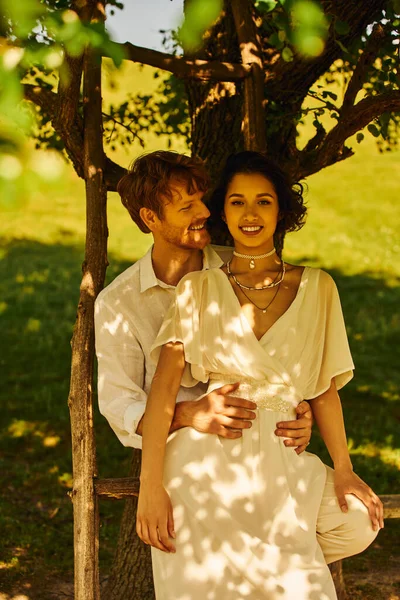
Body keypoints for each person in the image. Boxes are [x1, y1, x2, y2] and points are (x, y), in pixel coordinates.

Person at [136, 152, 383, 600]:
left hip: (283, 456)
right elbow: (162, 397)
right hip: (204, 463)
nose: (250, 215)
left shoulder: (319, 287)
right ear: (223, 212)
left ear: (281, 211)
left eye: (263, 202)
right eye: (236, 202)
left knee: (357, 522)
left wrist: (344, 469)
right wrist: (150, 486)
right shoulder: (199, 290)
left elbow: (324, 391)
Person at [95, 151, 313, 455]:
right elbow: (120, 405)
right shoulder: (119, 304)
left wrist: (299, 411)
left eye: (200, 199)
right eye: (187, 207)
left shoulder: (242, 268)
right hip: (185, 461)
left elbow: (284, 358)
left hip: (270, 448)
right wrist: (188, 413)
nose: (205, 212)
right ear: (150, 218)